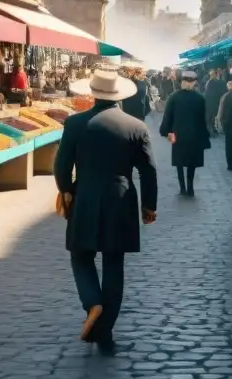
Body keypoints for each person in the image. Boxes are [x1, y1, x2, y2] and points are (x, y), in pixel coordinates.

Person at [54, 67, 158, 354]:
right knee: (114, 263)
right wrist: (149, 206)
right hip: (121, 198)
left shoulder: (75, 124)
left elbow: (62, 164)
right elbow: (148, 170)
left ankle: (92, 303)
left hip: (85, 195)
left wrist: (65, 190)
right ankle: (105, 330)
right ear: (118, 96)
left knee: (80, 255)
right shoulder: (136, 126)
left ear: (93, 93)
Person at [159, 71, 210, 196]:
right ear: (194, 83)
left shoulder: (174, 97)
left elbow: (168, 117)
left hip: (178, 134)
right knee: (192, 162)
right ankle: (190, 188)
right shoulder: (200, 98)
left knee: (180, 162)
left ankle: (182, 188)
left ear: (182, 82)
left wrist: (165, 131)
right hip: (195, 135)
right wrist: (205, 135)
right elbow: (204, 119)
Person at [203, 68, 226, 136]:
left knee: (213, 117)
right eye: (210, 75)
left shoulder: (219, 82)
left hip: (215, 102)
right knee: (210, 117)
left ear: (216, 75)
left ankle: (212, 130)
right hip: (210, 102)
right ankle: (211, 131)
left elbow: (222, 92)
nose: (211, 76)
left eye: (213, 75)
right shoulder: (210, 82)